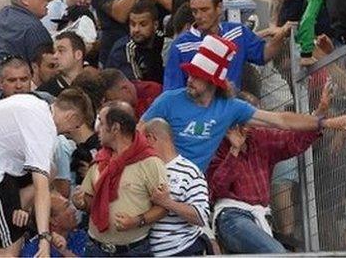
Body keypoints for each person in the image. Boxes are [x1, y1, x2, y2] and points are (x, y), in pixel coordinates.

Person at [144, 33, 346, 171]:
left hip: (193, 190)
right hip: (157, 178)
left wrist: (326, 123)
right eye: (190, 74)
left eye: (198, 76)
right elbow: (138, 132)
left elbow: (281, 120)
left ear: (214, 82)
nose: (189, 80)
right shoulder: (168, 100)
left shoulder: (230, 108)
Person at [0, 89, 93, 256]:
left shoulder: (36, 104)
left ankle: (18, 211)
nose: (69, 133)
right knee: (12, 245)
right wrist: (44, 239)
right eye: (74, 127)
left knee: (51, 168)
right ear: (71, 117)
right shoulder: (43, 129)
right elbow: (41, 189)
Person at [206, 91, 321, 255]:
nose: (257, 122)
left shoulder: (260, 137)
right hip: (231, 216)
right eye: (253, 116)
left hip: (261, 216)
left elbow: (293, 142)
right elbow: (217, 188)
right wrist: (234, 150)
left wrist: (319, 118)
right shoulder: (216, 142)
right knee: (277, 253)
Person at [69, 101, 166, 257]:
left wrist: (137, 221)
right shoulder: (100, 160)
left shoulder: (150, 162)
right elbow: (90, 202)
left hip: (133, 251)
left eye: (101, 122)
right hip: (95, 249)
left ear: (115, 128)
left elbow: (163, 207)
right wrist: (80, 202)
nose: (97, 128)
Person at [164, 0, 290, 92]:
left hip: (232, 109)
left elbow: (264, 54)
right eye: (195, 11)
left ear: (219, 8)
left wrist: (282, 34)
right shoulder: (180, 46)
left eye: (204, 10)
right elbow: (172, 91)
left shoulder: (237, 32)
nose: (198, 16)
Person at [142, 118, 211, 256]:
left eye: (141, 141)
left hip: (182, 249)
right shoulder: (143, 169)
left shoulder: (190, 171)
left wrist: (167, 203)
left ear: (151, 139)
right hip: (146, 251)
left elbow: (201, 216)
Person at [106, 0, 164, 84]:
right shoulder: (124, 49)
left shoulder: (163, 40)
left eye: (143, 24)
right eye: (133, 24)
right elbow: (137, 86)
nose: (136, 30)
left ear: (155, 25)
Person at [39, 31, 90, 96]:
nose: (55, 56)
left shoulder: (93, 88)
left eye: (61, 51)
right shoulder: (45, 93)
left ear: (78, 55)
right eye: (54, 52)